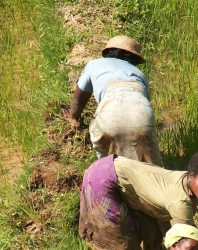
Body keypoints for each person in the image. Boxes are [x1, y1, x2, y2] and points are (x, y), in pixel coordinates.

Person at [79, 148, 198, 250]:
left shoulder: (184, 178)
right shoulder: (179, 201)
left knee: (153, 232)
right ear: (191, 176)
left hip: (108, 166)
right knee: (124, 243)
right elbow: (191, 242)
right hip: (102, 180)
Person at [65, 35, 163, 165]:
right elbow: (141, 103)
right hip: (143, 114)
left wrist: (72, 117)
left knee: (110, 168)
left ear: (108, 52)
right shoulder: (139, 74)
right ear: (134, 58)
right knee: (149, 168)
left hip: (110, 113)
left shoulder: (94, 64)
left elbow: (78, 102)